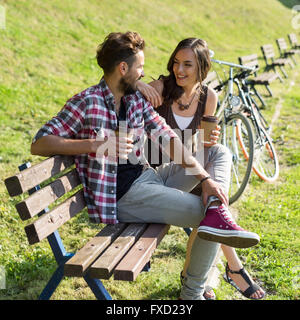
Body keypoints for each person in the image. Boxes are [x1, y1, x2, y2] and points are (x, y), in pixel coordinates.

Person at [31, 31, 260, 300]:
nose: (143, 75)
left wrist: (205, 180)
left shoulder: (133, 99)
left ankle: (215, 211)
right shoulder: (87, 102)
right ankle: (192, 294)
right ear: (123, 68)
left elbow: (167, 138)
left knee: (217, 153)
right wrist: (95, 144)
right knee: (208, 217)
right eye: (140, 67)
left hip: (149, 178)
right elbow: (39, 143)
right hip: (124, 197)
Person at [137, 38, 266, 300]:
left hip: (186, 169)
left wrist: (206, 140)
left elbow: (204, 145)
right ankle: (232, 269)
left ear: (202, 68)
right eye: (176, 62)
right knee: (212, 204)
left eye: (188, 65)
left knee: (216, 166)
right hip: (157, 176)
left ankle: (206, 275)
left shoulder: (209, 97)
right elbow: (120, 93)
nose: (179, 70)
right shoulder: (161, 88)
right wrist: (138, 83)